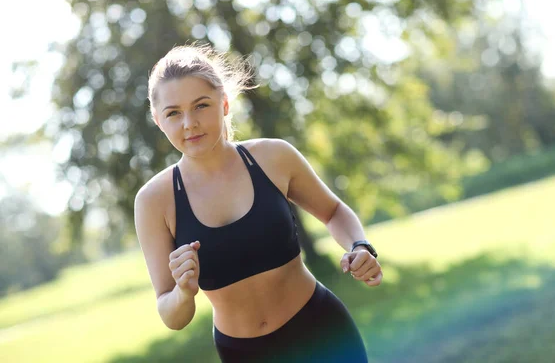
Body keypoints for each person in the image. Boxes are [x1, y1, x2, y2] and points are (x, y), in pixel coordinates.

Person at [134, 43, 383, 362]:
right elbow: (172, 315)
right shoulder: (154, 201)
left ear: (223, 102)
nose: (189, 123)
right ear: (158, 119)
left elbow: (333, 211)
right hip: (246, 354)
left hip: (323, 330)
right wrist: (183, 291)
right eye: (173, 113)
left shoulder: (273, 157)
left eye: (201, 106)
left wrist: (359, 246)